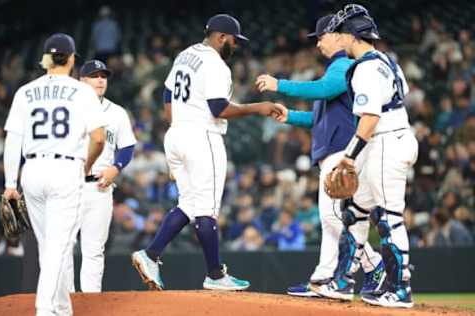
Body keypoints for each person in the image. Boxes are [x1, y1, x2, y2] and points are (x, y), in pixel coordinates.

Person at [131, 14, 283, 291]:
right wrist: (257, 107)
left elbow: (166, 95)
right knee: (207, 209)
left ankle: (151, 255)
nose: (235, 45)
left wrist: (180, 121)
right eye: (234, 39)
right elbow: (218, 109)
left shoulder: (185, 55)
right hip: (201, 136)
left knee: (190, 204)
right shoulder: (215, 63)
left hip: (177, 132)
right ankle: (214, 275)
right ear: (221, 36)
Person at [256, 14, 385, 300]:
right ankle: (324, 277)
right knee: (330, 218)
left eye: (321, 37)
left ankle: (373, 265)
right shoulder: (334, 69)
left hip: (344, 150)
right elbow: (319, 118)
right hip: (333, 149)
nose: (318, 44)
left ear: (337, 34)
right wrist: (290, 116)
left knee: (334, 216)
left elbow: (324, 89)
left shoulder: (345, 65)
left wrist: (280, 85)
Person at [312, 5, 418, 308]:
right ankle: (342, 282)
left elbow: (370, 116)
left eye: (341, 31)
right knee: (355, 212)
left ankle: (400, 289)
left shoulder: (366, 68)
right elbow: (399, 96)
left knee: (388, 218)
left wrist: (348, 157)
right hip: (389, 139)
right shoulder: (388, 62)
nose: (337, 36)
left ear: (351, 34)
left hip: (386, 141)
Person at [3, 33, 106, 315]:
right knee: (59, 246)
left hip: (32, 171)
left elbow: (13, 138)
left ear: (46, 59)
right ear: (72, 59)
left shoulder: (25, 91)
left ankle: (62, 307)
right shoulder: (82, 91)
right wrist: (86, 166)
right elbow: (98, 138)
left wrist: (10, 183)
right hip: (66, 168)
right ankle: (44, 309)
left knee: (49, 245)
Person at [67, 59, 137, 293]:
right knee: (64, 247)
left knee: (94, 250)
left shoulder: (116, 113)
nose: (100, 80)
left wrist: (116, 167)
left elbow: (127, 147)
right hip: (68, 185)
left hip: (99, 185)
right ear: (81, 80)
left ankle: (90, 302)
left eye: (103, 76)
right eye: (94, 75)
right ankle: (64, 300)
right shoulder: (66, 109)